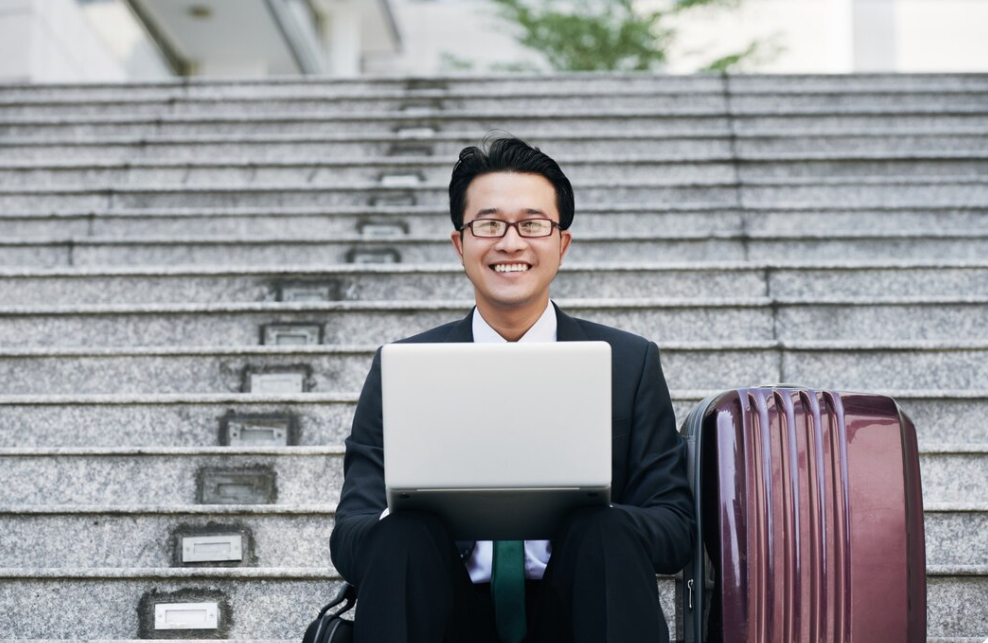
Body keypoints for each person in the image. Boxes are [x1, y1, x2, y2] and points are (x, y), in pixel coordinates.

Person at [330, 137, 694, 642]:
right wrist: (404, 515)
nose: (510, 243)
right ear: (460, 244)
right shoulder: (405, 369)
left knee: (605, 531)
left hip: (579, 610)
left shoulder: (628, 363)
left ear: (561, 244)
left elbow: (674, 528)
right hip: (442, 613)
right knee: (402, 536)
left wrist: (591, 511)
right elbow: (348, 538)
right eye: (489, 224)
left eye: (532, 224)